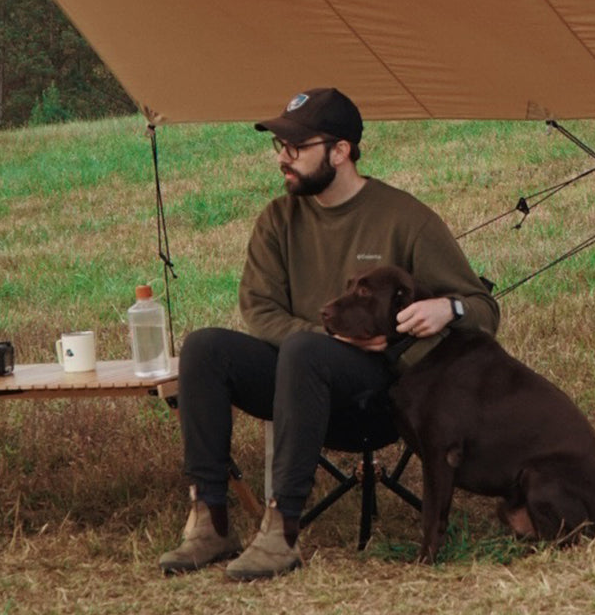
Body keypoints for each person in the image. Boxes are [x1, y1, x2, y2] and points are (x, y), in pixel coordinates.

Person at [158, 86, 500, 580]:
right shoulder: (278, 219)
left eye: (297, 147)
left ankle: (280, 532)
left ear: (340, 151)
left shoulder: (406, 219)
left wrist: (447, 308)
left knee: (304, 351)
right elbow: (259, 308)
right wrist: (327, 337)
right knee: (204, 348)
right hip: (299, 376)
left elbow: (483, 309)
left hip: (380, 397)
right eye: (280, 146)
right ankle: (209, 521)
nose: (283, 158)